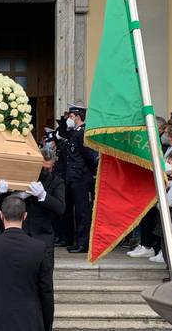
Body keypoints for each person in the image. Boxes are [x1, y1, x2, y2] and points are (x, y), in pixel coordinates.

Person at [0, 196, 54, 331]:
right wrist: (47, 325)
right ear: (25, 216)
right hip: (31, 321)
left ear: (1, 215)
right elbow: (46, 293)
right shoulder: (39, 247)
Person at [0, 148, 65, 272]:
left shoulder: (57, 182)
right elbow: (3, 204)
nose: (44, 171)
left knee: (45, 277)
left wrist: (43, 196)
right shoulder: (22, 177)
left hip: (43, 236)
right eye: (41, 168)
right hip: (19, 235)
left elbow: (60, 208)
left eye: (48, 169)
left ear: (53, 166)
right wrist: (2, 193)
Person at [65, 105, 96, 253]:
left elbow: (90, 156)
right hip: (75, 177)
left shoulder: (82, 133)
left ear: (78, 117)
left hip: (81, 178)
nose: (69, 119)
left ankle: (83, 243)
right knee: (77, 211)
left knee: (83, 212)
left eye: (71, 116)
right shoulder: (75, 133)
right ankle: (78, 241)